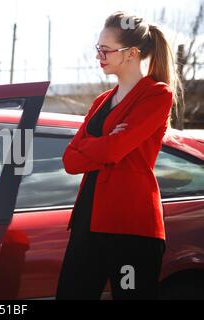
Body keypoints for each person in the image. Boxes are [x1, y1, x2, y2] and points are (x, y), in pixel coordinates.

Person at [56, 11, 181, 300]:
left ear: (131, 54)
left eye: (106, 49)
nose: (99, 55)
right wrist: (107, 143)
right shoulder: (101, 101)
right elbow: (69, 160)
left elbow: (114, 150)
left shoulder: (157, 95)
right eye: (98, 48)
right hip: (87, 224)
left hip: (131, 228)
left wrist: (100, 145)